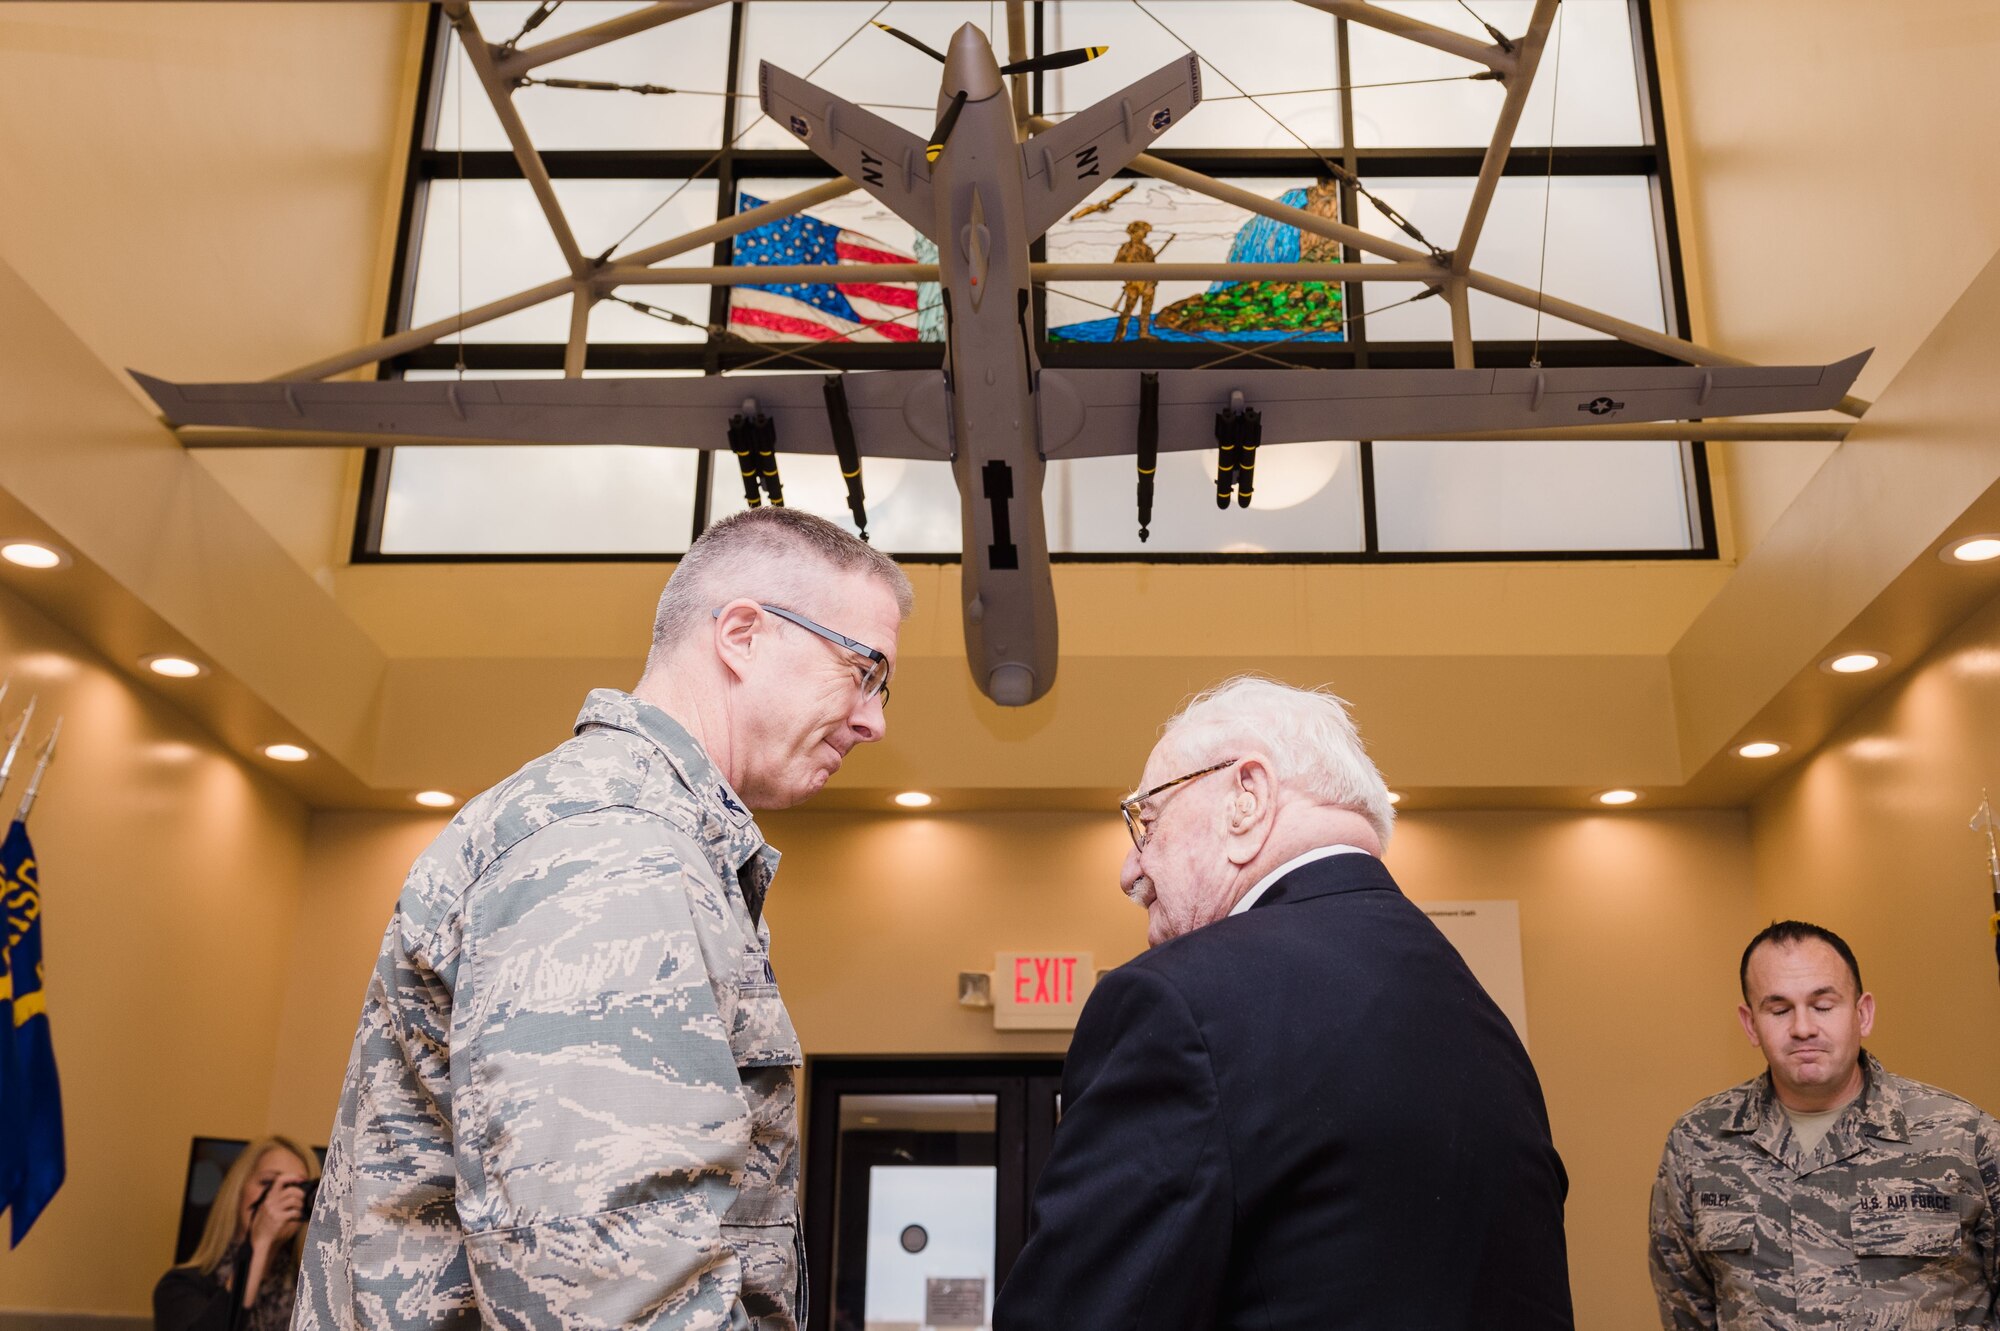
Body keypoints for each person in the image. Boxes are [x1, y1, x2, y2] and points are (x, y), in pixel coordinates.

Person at [293, 508, 911, 1331]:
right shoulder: (615, 847)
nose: (876, 720)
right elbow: (610, 1284)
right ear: (742, 635)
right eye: (864, 671)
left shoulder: (641, 836)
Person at [992, 676, 1574, 1330]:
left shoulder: (1175, 1003)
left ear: (1247, 797)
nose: (1129, 869)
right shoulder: (1483, 1020)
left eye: (1147, 819)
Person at [1649, 920, 2000, 1329]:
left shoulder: (1964, 1138)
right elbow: (1686, 1308)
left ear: (1862, 1013)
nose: (1802, 1028)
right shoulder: (1698, 1144)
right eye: (1779, 1010)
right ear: (1750, 1024)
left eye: (1822, 1005)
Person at [156, 1135, 320, 1331]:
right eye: (268, 1182)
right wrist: (259, 1241)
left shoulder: (313, 1295)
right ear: (238, 1192)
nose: (279, 1198)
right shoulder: (181, 1286)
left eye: (295, 1188)